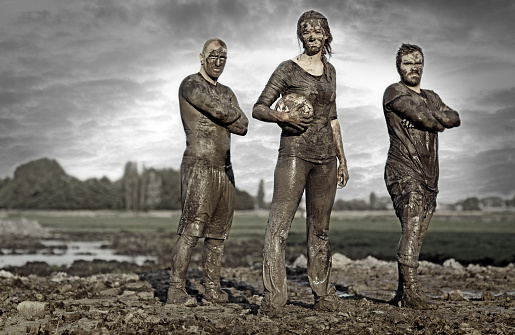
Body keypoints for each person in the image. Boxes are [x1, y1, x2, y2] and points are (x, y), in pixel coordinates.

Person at [252, 10, 349, 316]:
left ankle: (322, 294)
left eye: (317, 30)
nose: (311, 35)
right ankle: (274, 297)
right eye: (305, 30)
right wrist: (285, 116)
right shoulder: (287, 69)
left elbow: (332, 117)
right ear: (300, 35)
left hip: (326, 159)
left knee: (320, 229)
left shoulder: (331, 72)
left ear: (326, 35)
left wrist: (342, 158)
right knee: (279, 226)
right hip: (294, 153)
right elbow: (259, 108)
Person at [167, 38, 248, 306]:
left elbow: (244, 125)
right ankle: (176, 289)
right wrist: (228, 113)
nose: (218, 62)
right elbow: (221, 111)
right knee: (192, 228)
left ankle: (212, 289)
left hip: (224, 168)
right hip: (199, 165)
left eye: (223, 57)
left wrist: (228, 114)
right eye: (213, 56)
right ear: (201, 57)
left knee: (217, 233)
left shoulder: (226, 90)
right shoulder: (191, 83)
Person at [383, 43, 460, 309]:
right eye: (407, 63)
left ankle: (402, 293)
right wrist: (434, 120)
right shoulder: (394, 92)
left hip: (429, 175)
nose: (414, 67)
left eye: (418, 62)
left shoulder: (431, 96)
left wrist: (433, 117)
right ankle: (413, 293)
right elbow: (426, 119)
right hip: (402, 169)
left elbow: (455, 117)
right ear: (398, 67)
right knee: (412, 228)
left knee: (415, 233)